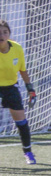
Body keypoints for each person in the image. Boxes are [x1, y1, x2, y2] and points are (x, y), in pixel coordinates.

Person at [0, 20, 38, 165]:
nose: (2, 35)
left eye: (5, 32)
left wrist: (30, 89)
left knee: (21, 122)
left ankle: (28, 152)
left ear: (9, 34)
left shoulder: (17, 48)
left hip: (11, 87)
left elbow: (22, 70)